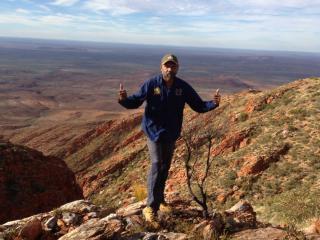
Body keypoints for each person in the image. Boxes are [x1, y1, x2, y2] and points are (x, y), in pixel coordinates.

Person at [118, 53, 221, 227]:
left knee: (165, 167)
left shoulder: (182, 87)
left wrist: (214, 103)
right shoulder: (152, 84)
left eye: (172, 66)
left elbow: (198, 105)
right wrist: (123, 100)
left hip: (171, 133)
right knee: (157, 164)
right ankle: (150, 207)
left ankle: (160, 199)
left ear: (177, 68)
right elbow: (135, 101)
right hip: (154, 132)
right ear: (161, 67)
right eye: (167, 65)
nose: (169, 69)